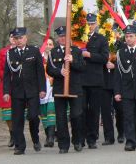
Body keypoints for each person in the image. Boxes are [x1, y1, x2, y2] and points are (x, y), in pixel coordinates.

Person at [3, 27, 46, 155]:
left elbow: (40, 72)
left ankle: (35, 138)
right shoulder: (10, 54)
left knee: (33, 116)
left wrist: (42, 89)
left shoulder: (34, 51)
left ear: (26, 38)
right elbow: (6, 74)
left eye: (21, 38)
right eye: (16, 38)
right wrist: (6, 91)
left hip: (32, 90)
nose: (19, 40)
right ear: (14, 40)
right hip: (17, 91)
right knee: (17, 120)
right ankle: (19, 146)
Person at [46, 26, 86, 154]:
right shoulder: (54, 52)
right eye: (61, 36)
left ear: (69, 37)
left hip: (74, 89)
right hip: (59, 89)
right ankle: (63, 144)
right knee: (61, 118)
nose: (63, 38)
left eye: (65, 36)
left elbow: (82, 67)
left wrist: (73, 61)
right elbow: (49, 69)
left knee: (76, 115)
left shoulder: (76, 51)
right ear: (58, 38)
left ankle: (78, 140)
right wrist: (59, 72)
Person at [81, 13, 109, 149]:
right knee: (80, 110)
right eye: (88, 23)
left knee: (93, 110)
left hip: (95, 80)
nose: (90, 26)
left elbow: (104, 58)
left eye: (92, 23)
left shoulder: (101, 39)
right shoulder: (78, 38)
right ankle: (80, 137)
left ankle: (92, 138)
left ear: (96, 24)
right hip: (80, 80)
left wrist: (90, 55)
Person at [0, 30, 16, 147]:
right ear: (9, 38)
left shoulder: (23, 51)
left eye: (16, 37)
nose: (13, 38)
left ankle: (18, 133)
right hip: (6, 85)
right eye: (11, 37)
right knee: (8, 113)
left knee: (19, 112)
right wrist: (8, 78)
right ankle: (12, 133)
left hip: (20, 85)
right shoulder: (3, 52)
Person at [40, 37, 56, 147]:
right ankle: (47, 135)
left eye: (51, 44)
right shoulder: (38, 58)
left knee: (51, 112)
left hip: (53, 88)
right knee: (44, 114)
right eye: (47, 44)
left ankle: (50, 137)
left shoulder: (56, 57)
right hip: (41, 88)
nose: (48, 46)